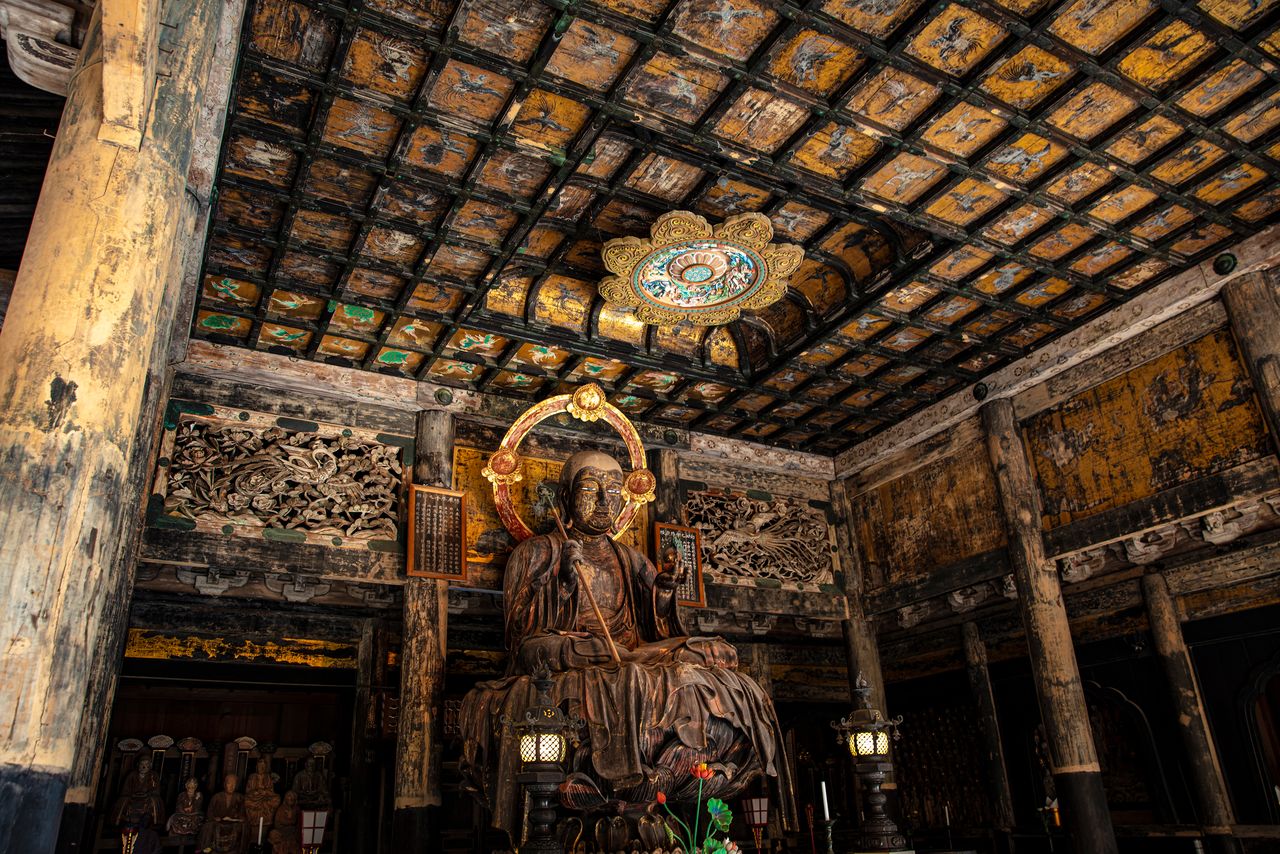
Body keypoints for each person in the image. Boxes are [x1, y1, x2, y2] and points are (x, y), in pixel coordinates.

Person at [461, 449, 793, 843]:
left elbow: (654, 629)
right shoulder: (537, 551)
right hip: (573, 651)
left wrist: (665, 592)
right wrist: (564, 582)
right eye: (590, 489)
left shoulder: (630, 557)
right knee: (605, 665)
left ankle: (633, 668)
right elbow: (521, 638)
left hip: (631, 650)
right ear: (565, 496)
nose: (604, 501)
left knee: (713, 656)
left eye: (614, 490)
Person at [112, 755, 166, 829]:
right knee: (123, 800)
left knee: (155, 800)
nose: (144, 767)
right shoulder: (132, 775)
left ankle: (154, 822)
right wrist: (132, 794)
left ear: (150, 766)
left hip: (147, 797)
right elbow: (126, 789)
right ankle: (121, 822)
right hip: (133, 796)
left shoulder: (153, 775)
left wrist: (147, 794)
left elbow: (156, 789)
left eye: (146, 764)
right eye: (142, 764)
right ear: (138, 765)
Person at [198, 774, 245, 854]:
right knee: (208, 826)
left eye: (234, 784)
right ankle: (207, 850)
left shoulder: (239, 797)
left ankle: (238, 850)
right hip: (218, 822)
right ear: (224, 784)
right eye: (229, 783)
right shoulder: (217, 797)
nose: (231, 786)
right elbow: (209, 812)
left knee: (244, 826)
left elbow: (242, 813)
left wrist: (237, 817)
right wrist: (214, 818)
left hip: (232, 823)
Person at [243, 758, 281, 832]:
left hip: (265, 797)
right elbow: (248, 791)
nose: (261, 768)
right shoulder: (252, 776)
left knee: (277, 798)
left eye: (263, 767)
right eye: (260, 766)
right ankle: (253, 819)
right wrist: (255, 792)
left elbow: (271, 791)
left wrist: (265, 792)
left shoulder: (268, 777)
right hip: (254, 798)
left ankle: (267, 819)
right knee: (246, 800)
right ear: (257, 767)